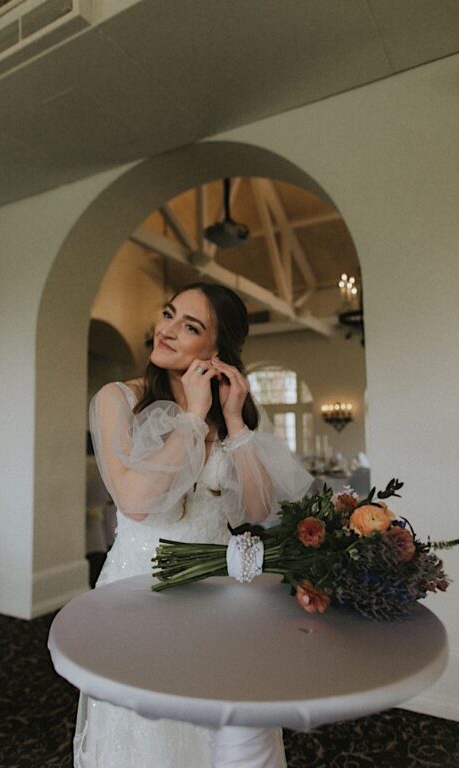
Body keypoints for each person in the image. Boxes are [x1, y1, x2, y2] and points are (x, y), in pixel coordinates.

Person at [74, 283, 312, 768]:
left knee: (219, 729)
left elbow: (259, 508)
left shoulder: (234, 411)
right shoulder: (118, 399)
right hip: (140, 589)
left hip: (220, 594)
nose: (167, 330)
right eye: (169, 314)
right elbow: (136, 502)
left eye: (190, 326)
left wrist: (234, 422)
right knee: (150, 732)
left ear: (217, 349)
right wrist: (191, 417)